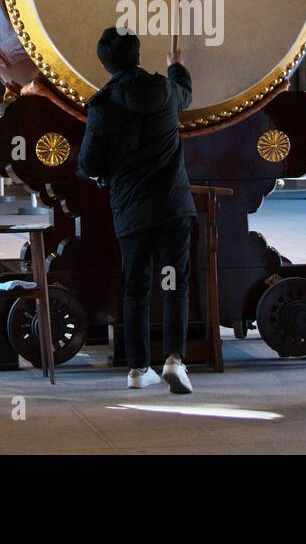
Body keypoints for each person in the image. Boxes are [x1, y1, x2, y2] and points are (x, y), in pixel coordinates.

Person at [78, 27, 197, 394]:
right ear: (138, 55)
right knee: (173, 282)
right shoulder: (163, 90)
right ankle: (175, 360)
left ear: (105, 63)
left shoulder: (103, 105)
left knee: (137, 286)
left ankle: (137, 369)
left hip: (132, 209)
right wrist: (177, 66)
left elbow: (89, 162)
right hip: (173, 204)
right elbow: (186, 95)